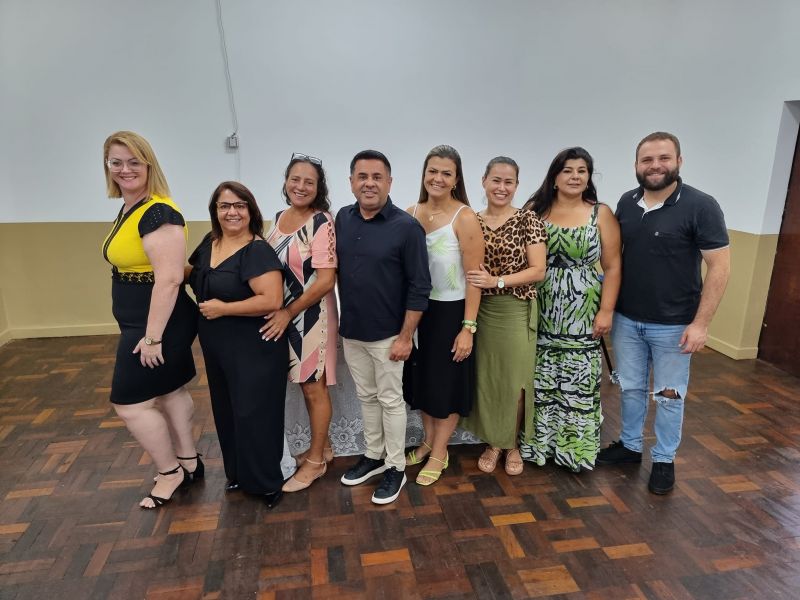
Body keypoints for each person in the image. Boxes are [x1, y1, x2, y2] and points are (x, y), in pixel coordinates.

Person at [597, 132, 730, 495]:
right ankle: (629, 446)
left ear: (678, 161)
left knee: (669, 396)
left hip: (674, 325)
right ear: (636, 165)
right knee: (630, 388)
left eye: (664, 158)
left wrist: (701, 324)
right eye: (647, 160)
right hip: (627, 320)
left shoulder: (701, 206)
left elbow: (720, 268)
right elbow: (616, 260)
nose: (655, 166)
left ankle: (663, 459)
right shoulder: (626, 202)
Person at [101, 131, 201, 509]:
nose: (124, 169)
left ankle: (169, 472)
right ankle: (189, 462)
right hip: (141, 323)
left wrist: (153, 337)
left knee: (130, 405)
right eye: (116, 162)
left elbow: (170, 278)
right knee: (170, 390)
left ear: (148, 165)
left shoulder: (158, 212)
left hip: (158, 325)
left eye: (133, 162)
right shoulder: (132, 208)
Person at [336, 149, 431, 504]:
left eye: (377, 177)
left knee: (391, 401)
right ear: (351, 182)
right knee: (367, 397)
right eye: (362, 176)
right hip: (352, 331)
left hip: (390, 335)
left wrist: (406, 336)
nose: (369, 183)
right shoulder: (343, 219)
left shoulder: (406, 228)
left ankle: (395, 467)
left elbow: (420, 286)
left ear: (389, 182)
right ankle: (374, 456)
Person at [518, 147, 621, 472]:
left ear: (589, 177)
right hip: (539, 307)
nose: (575, 176)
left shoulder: (600, 213)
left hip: (583, 312)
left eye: (581, 171)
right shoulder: (535, 210)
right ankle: (538, 445)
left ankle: (574, 450)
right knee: (540, 377)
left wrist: (606, 311)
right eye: (567, 170)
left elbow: (613, 266)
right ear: (554, 176)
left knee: (578, 380)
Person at [188, 182, 287, 508]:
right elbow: (193, 272)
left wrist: (224, 308)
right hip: (216, 343)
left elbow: (271, 300)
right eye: (224, 206)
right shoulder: (210, 242)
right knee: (227, 410)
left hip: (253, 345)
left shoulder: (256, 251)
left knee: (255, 413)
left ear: (251, 210)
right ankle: (240, 474)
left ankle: (267, 482)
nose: (232, 212)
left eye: (239, 205)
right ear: (215, 211)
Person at [403, 145, 484, 485]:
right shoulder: (410, 213)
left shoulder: (464, 217)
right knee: (422, 382)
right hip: (417, 312)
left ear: (456, 179)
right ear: (424, 174)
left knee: (446, 385)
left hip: (452, 312)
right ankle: (427, 441)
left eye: (446, 173)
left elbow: (475, 277)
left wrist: (468, 327)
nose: (438, 178)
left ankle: (440, 451)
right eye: (432, 171)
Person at [463, 157, 547, 476]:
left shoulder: (528, 219)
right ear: (484, 181)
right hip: (479, 310)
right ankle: (495, 441)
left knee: (515, 381)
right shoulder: (472, 220)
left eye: (508, 182)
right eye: (496, 180)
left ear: (516, 185)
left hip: (514, 308)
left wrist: (496, 281)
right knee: (489, 379)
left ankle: (512, 445)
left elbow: (538, 271)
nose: (501, 187)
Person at [264, 153, 338, 493]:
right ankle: (324, 449)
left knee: (312, 387)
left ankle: (316, 462)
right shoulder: (280, 218)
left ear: (318, 188)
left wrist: (288, 311)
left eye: (309, 182)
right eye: (295, 179)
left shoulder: (321, 222)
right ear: (285, 181)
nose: (301, 186)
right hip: (284, 315)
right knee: (303, 386)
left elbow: (325, 281)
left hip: (311, 316)